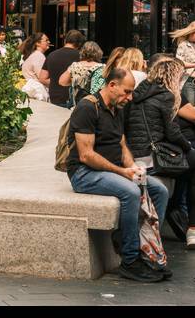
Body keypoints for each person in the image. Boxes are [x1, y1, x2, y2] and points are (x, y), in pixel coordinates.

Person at [65, 67, 171, 283]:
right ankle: (130, 260)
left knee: (160, 190)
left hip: (112, 170)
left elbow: (121, 143)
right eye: (127, 91)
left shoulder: (117, 107)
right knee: (131, 192)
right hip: (84, 173)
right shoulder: (87, 108)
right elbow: (86, 155)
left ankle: (147, 249)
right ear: (112, 85)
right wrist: (123, 172)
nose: (130, 97)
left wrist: (133, 167)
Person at [124, 56, 195, 249]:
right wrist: (187, 147)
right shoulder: (166, 96)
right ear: (172, 76)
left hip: (138, 155)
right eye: (179, 78)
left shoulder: (140, 93)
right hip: (151, 159)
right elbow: (172, 132)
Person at [45, 29, 85, 106]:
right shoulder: (81, 57)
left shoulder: (51, 55)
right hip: (73, 99)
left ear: (65, 40)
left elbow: (42, 77)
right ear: (80, 44)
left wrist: (55, 80)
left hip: (54, 97)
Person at [59, 40, 105, 105]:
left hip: (78, 106)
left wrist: (75, 80)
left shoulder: (75, 66)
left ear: (82, 52)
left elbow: (62, 82)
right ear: (99, 53)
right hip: (96, 106)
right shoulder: (102, 68)